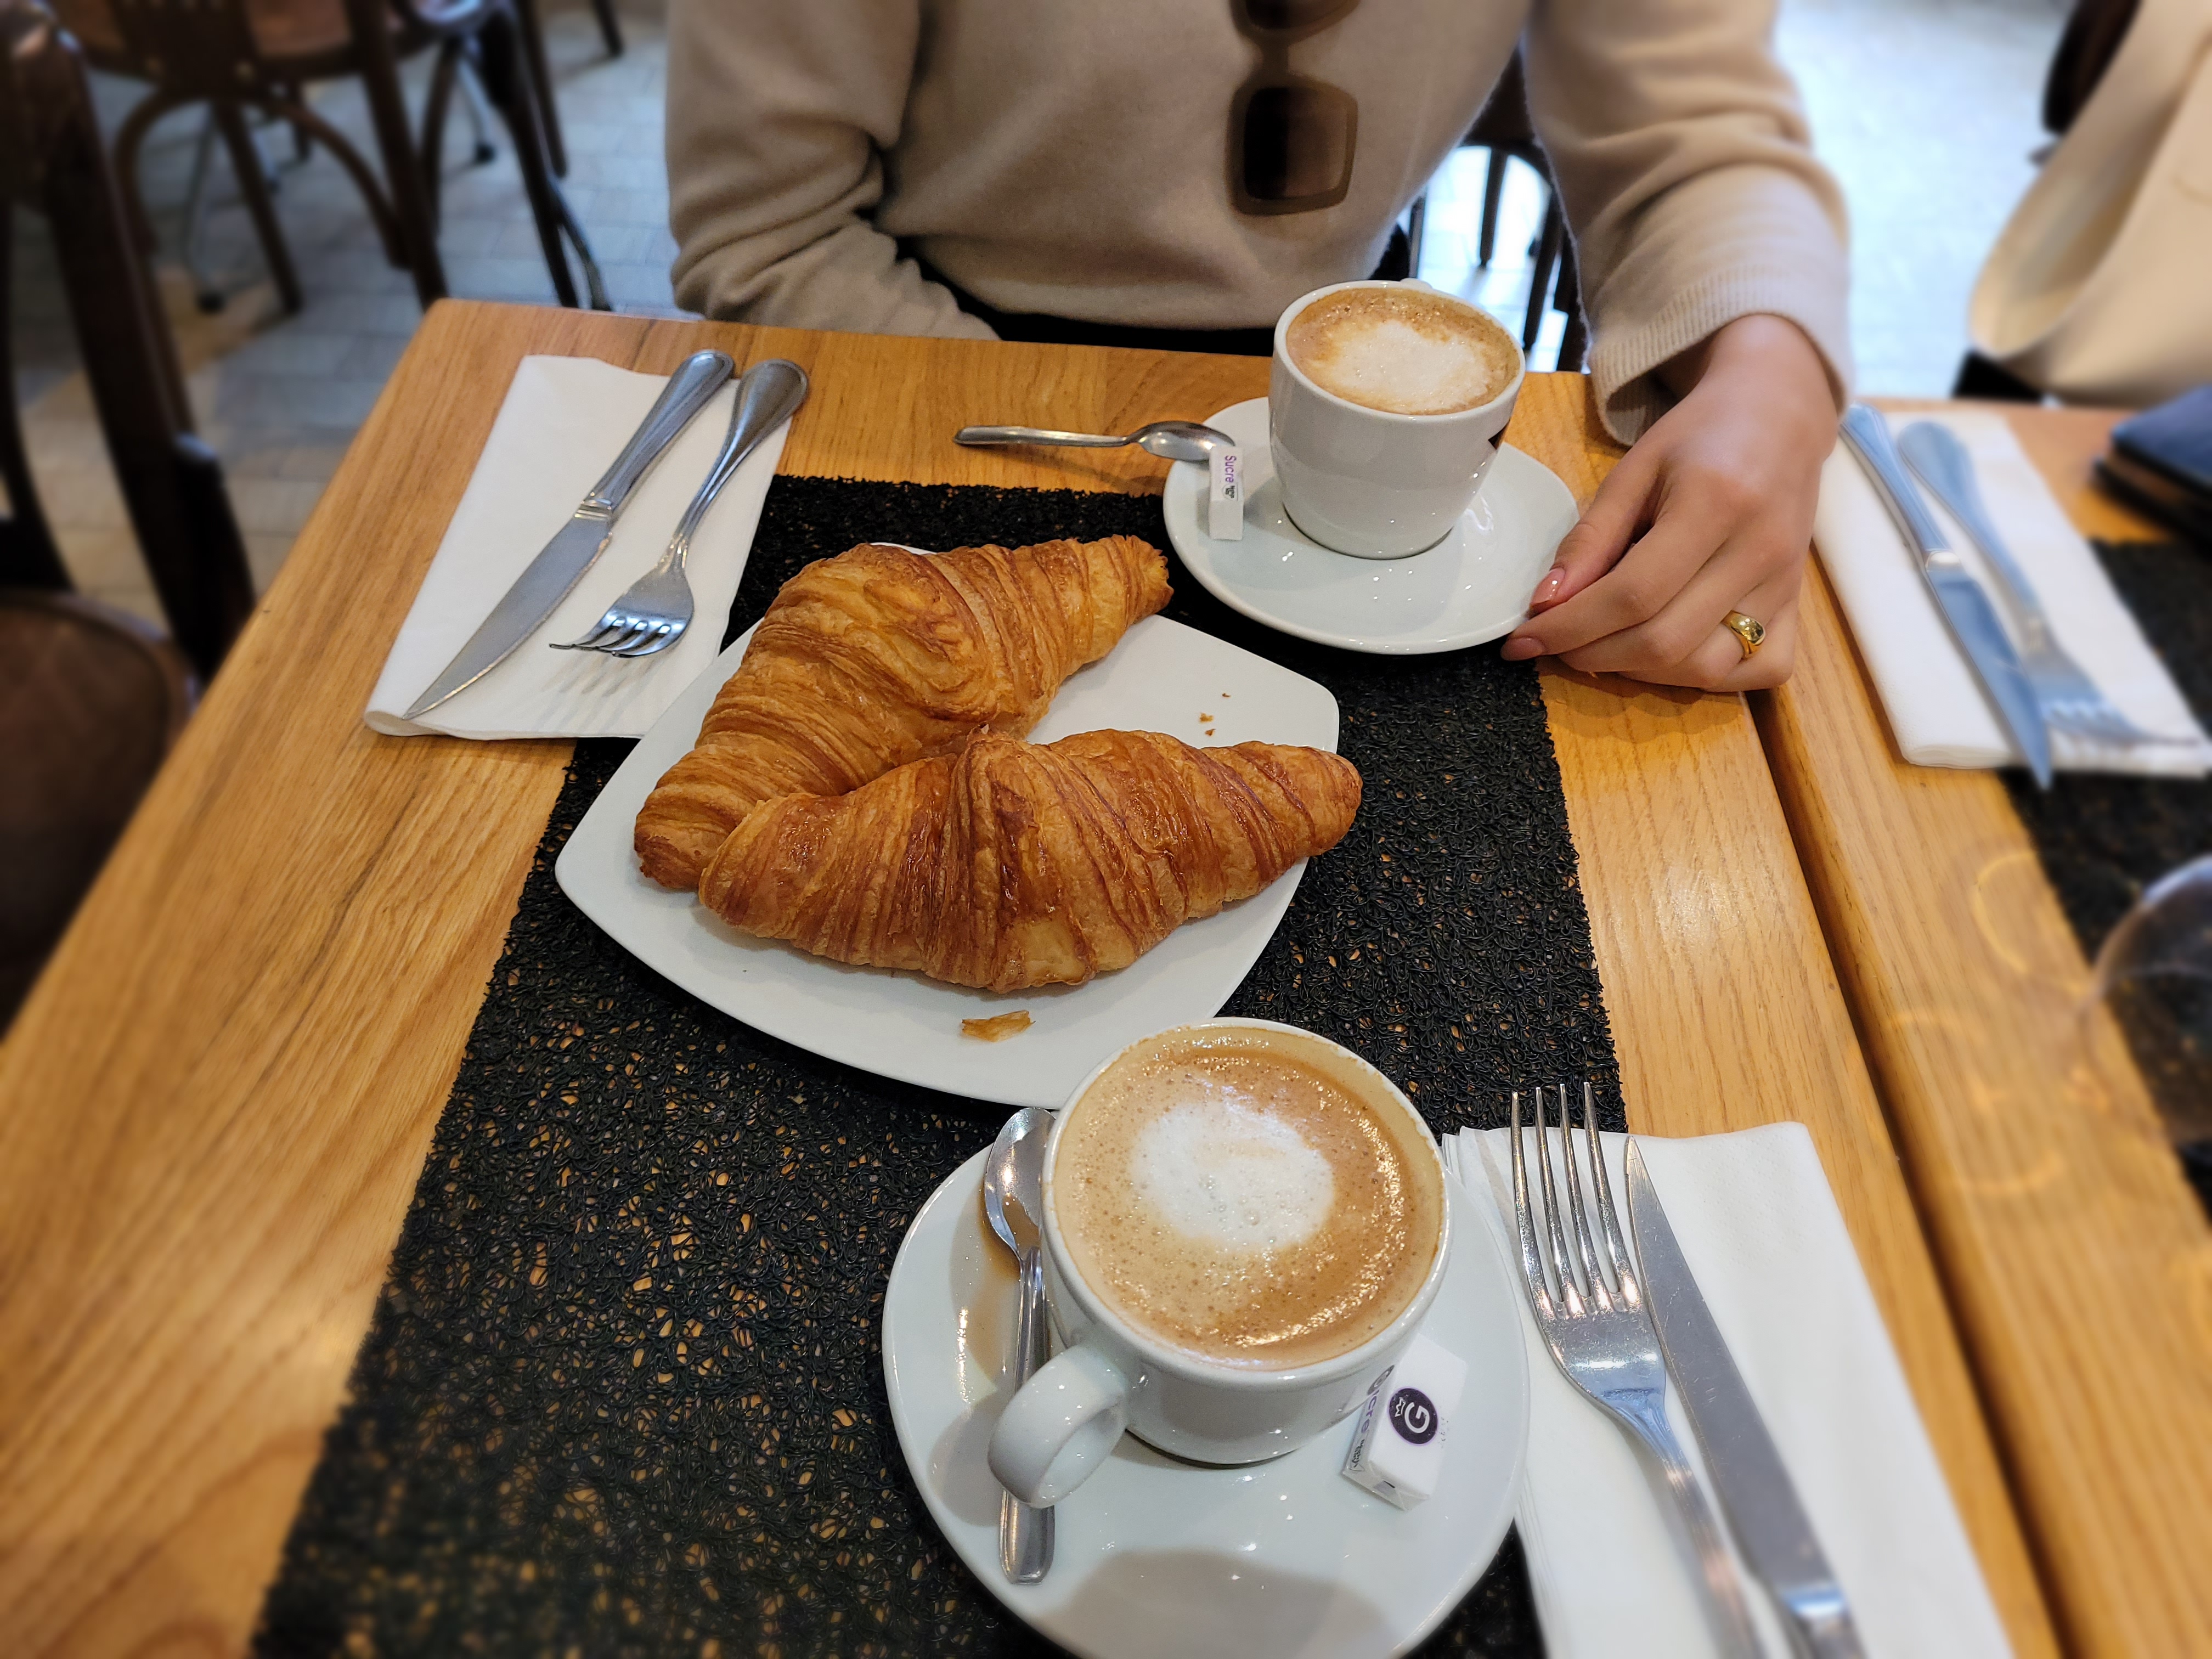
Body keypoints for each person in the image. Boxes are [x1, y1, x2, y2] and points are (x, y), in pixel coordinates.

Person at [664, 0, 1847, 691]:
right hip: (931, 366)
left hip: (1353, 347)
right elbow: (770, 230)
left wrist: (1770, 375)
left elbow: (1697, 128)